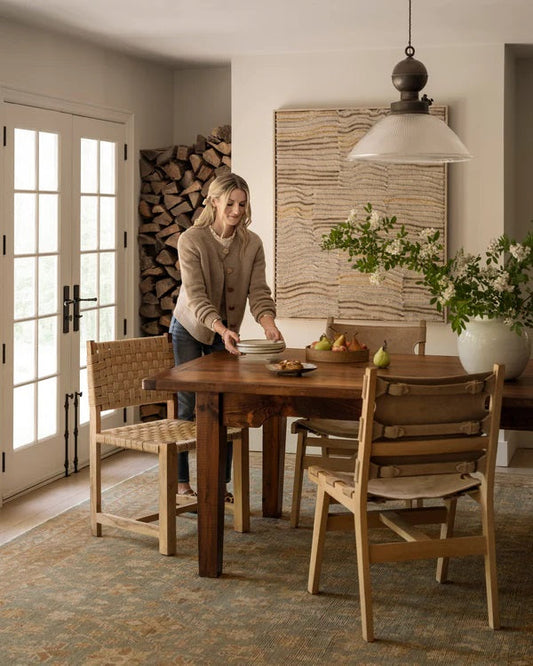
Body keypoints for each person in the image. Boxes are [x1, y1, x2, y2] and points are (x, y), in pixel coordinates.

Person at [169, 172, 284, 500]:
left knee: (228, 405)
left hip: (228, 332)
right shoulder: (191, 240)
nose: (237, 210)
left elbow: (259, 291)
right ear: (215, 201)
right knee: (189, 405)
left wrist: (268, 323)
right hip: (191, 329)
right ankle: (182, 484)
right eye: (230, 203)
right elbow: (195, 295)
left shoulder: (252, 244)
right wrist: (220, 330)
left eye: (242, 204)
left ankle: (219, 485)